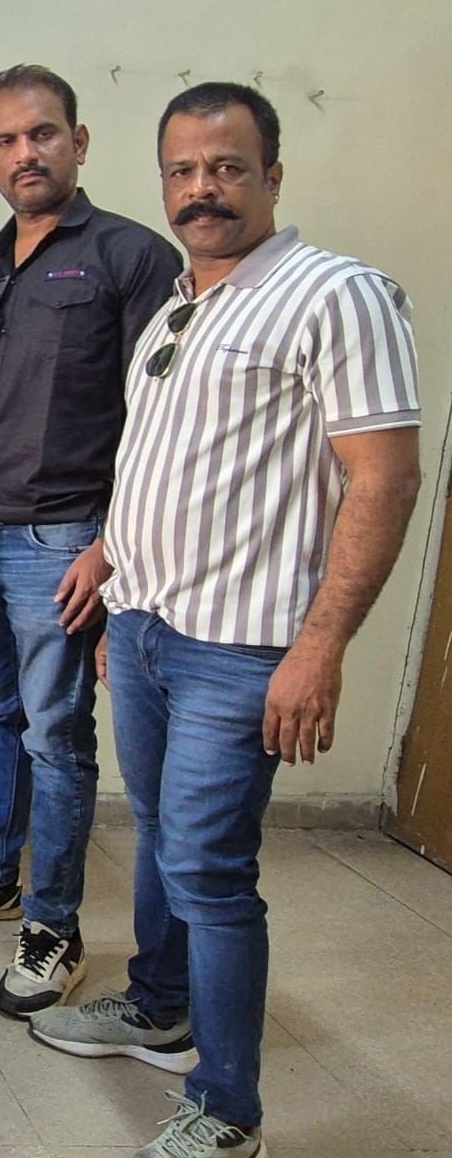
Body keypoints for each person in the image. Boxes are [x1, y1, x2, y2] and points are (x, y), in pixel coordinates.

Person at [28, 83, 420, 1157]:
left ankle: (228, 1107)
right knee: (158, 839)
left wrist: (321, 647)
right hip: (148, 628)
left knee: (208, 867)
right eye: (183, 171)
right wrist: (115, 566)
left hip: (241, 647)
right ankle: (161, 1004)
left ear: (272, 176)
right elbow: (169, 465)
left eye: (227, 167)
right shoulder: (178, 306)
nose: (202, 189)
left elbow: (383, 478)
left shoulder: (333, 294)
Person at [0, 65, 180, 1017]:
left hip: (63, 537)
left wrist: (112, 547)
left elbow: (159, 418)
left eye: (44, 133)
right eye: (9, 141)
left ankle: (54, 924)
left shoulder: (130, 257)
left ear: (78, 142)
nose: (28, 153)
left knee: (56, 736)